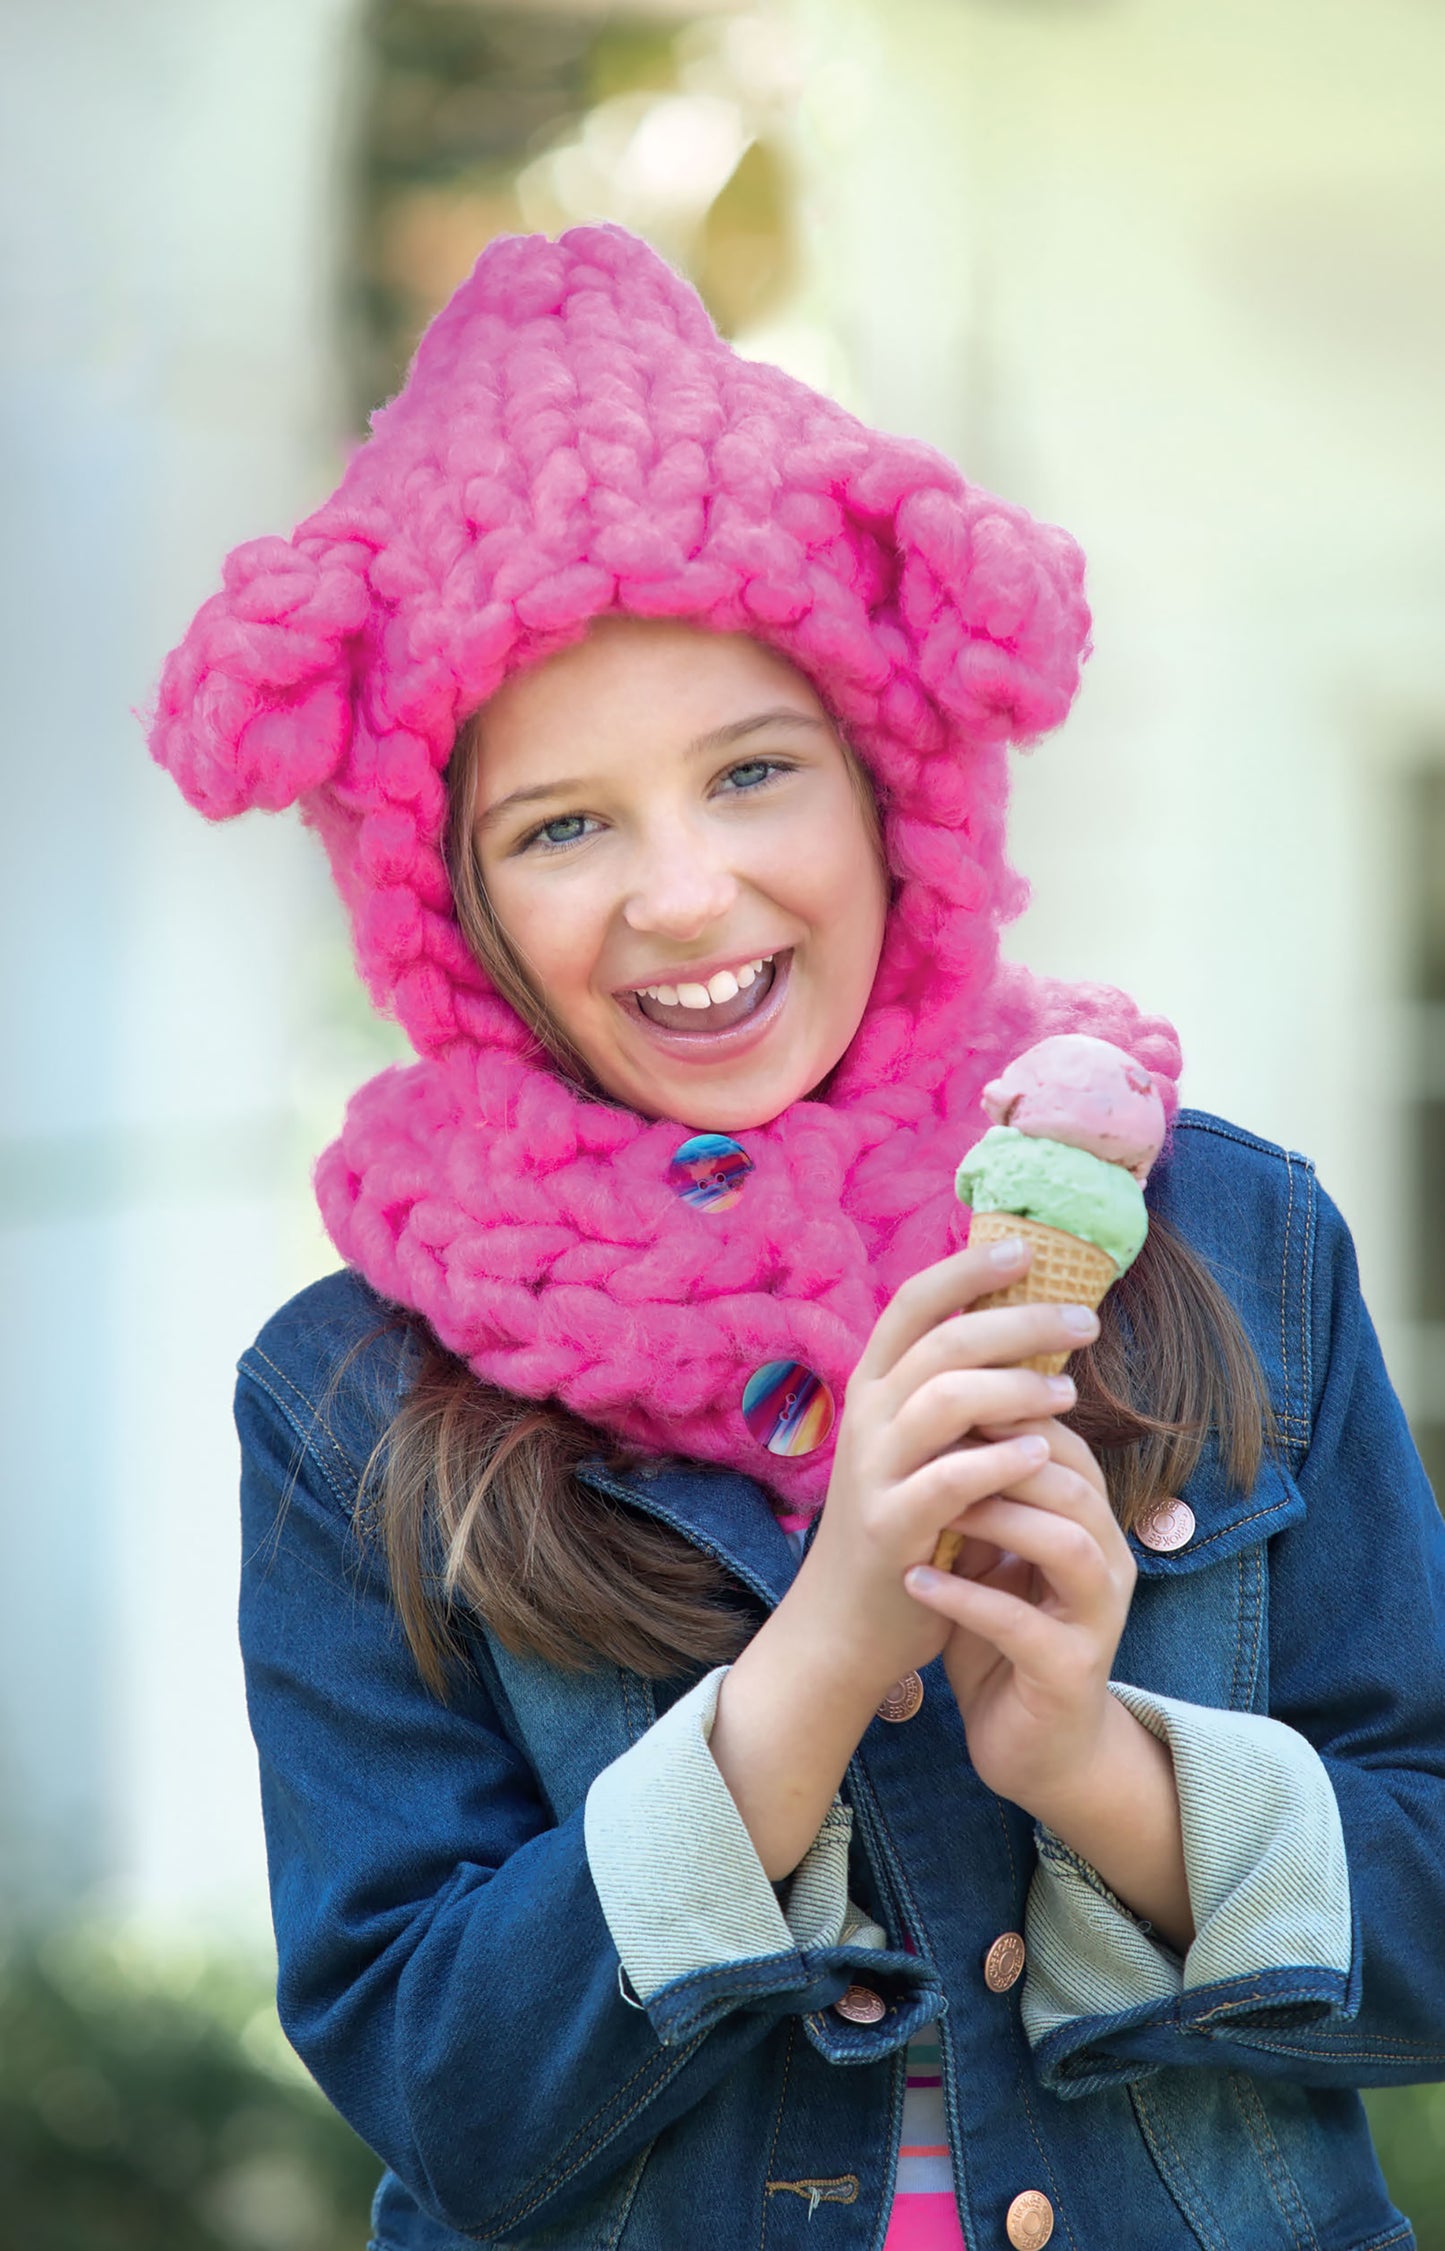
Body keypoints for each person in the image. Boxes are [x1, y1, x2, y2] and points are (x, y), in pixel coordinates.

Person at [148, 223, 1445, 2251]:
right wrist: (820, 1657)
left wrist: (1102, 1769)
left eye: (755, 771)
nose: (684, 892)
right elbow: (448, 2092)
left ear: (888, 786)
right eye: (562, 824)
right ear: (451, 905)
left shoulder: (1233, 1246)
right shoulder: (348, 1402)